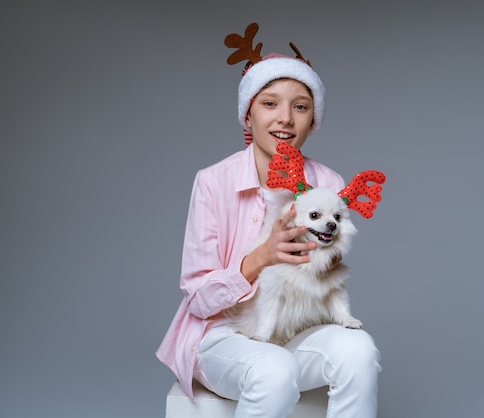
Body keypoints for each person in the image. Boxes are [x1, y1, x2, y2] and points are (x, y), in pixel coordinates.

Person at [156, 22, 381, 417]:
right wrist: (262, 257)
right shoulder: (213, 182)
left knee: (359, 352)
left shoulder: (327, 182)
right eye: (269, 103)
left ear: (313, 119)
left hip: (293, 329)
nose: (285, 119)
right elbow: (198, 298)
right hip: (222, 334)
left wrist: (329, 251)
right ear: (248, 115)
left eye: (300, 106)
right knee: (273, 369)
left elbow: (328, 274)